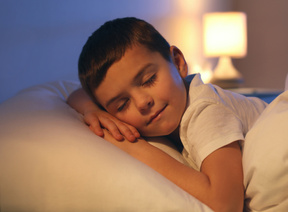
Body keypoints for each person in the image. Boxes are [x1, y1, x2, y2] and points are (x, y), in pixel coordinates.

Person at [67, 17, 267, 211]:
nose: (142, 102)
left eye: (148, 80)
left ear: (178, 62)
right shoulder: (172, 106)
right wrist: (91, 110)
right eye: (122, 104)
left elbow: (226, 205)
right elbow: (75, 93)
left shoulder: (204, 112)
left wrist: (131, 147)